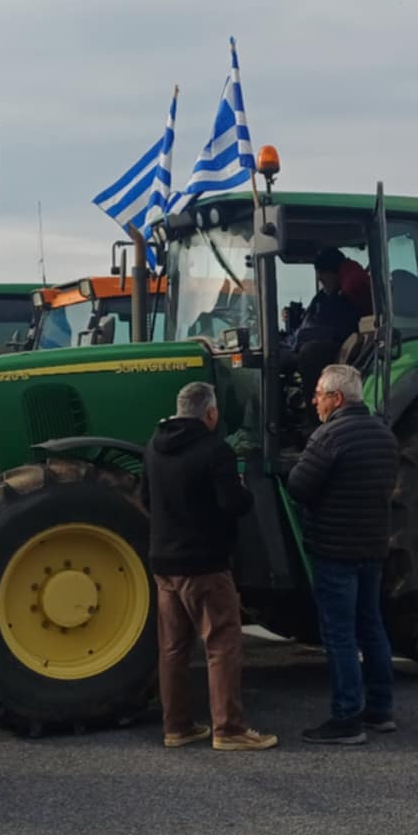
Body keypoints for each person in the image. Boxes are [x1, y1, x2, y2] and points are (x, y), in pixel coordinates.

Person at [141, 381, 277, 752]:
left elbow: (145, 499)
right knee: (222, 644)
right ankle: (229, 729)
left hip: (163, 563)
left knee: (172, 648)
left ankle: (177, 727)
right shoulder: (215, 450)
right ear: (211, 413)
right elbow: (233, 504)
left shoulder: (153, 447)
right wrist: (246, 490)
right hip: (205, 563)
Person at [287, 363, 400, 745]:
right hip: (372, 547)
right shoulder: (384, 435)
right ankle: (381, 710)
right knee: (372, 626)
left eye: (319, 394)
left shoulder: (329, 437)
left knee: (339, 635)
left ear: (336, 398)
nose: (313, 400)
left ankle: (347, 718)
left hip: (335, 550)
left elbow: (300, 486)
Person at [288, 249, 374, 416]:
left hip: (339, 343)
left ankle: (314, 418)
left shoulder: (345, 298)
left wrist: (300, 340)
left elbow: (335, 329)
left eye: (322, 274)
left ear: (335, 273)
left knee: (309, 352)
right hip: (316, 337)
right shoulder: (324, 297)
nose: (320, 279)